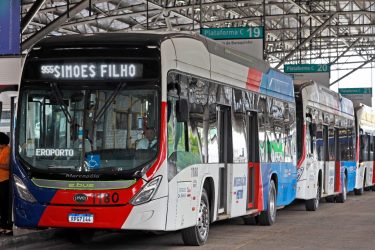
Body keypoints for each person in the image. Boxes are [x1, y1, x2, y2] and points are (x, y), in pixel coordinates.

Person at [0, 132, 12, 235]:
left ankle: (7, 226)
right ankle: (2, 225)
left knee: (5, 205)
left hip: (5, 181)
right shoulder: (1, 150)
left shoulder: (8, 150)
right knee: (1, 205)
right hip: (0, 181)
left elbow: (8, 166)